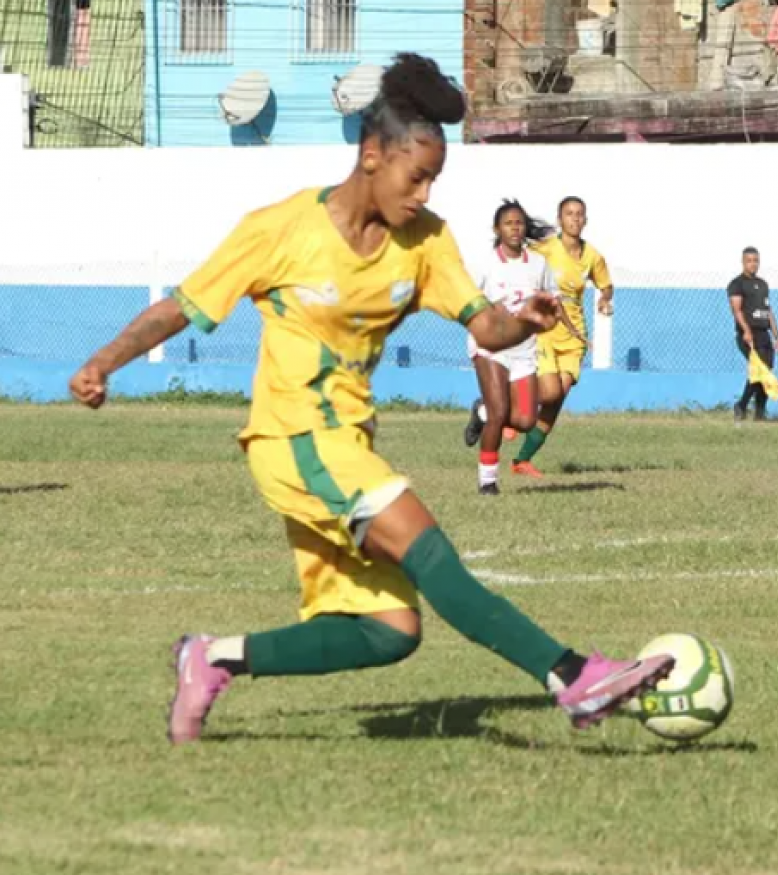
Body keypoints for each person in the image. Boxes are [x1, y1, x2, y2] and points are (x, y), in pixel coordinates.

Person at [68, 54, 673, 745]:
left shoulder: (426, 241)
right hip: (292, 440)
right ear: (370, 155)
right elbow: (184, 305)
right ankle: (573, 677)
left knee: (389, 631)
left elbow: (484, 326)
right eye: (415, 176)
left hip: (347, 444)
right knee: (432, 550)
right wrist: (102, 362)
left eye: (433, 180)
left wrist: (523, 321)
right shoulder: (281, 228)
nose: (422, 193)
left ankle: (209, 657)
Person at [512, 197, 614, 477]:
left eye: (580, 214)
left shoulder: (592, 256)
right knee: (550, 392)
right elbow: (518, 257)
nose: (575, 219)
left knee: (557, 399)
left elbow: (606, 285)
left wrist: (605, 300)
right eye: (569, 214)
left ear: (586, 219)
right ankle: (512, 407)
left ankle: (522, 460)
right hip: (546, 329)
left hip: (575, 336)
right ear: (560, 219)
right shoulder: (546, 248)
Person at [463, 200, 557, 495]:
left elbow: (552, 301)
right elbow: (466, 302)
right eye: (509, 223)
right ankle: (487, 481)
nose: (515, 228)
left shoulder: (539, 264)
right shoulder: (485, 262)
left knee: (525, 420)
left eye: (519, 223)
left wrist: (549, 320)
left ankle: (481, 414)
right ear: (497, 229)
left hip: (524, 349)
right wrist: (488, 319)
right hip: (490, 346)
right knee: (500, 408)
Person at [728, 247, 778, 422]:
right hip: (749, 335)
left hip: (764, 334)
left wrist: (776, 335)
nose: (753, 264)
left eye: (756, 260)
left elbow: (768, 311)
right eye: (749, 260)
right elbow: (736, 310)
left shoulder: (763, 284)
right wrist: (746, 330)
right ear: (743, 262)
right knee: (760, 371)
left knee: (766, 373)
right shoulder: (737, 284)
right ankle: (741, 406)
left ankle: (759, 414)